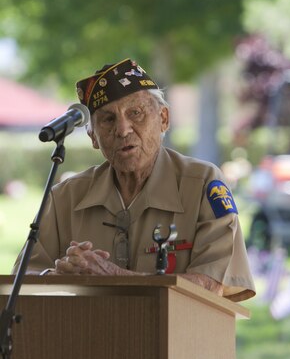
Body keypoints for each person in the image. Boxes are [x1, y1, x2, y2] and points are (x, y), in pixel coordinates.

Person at [12, 58, 255, 302]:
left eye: (135, 113)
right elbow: (21, 280)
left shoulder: (202, 184)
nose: (123, 129)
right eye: (108, 119)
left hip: (175, 338)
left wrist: (115, 278)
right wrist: (56, 275)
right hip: (86, 336)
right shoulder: (65, 196)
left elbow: (211, 285)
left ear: (163, 119)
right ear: (93, 137)